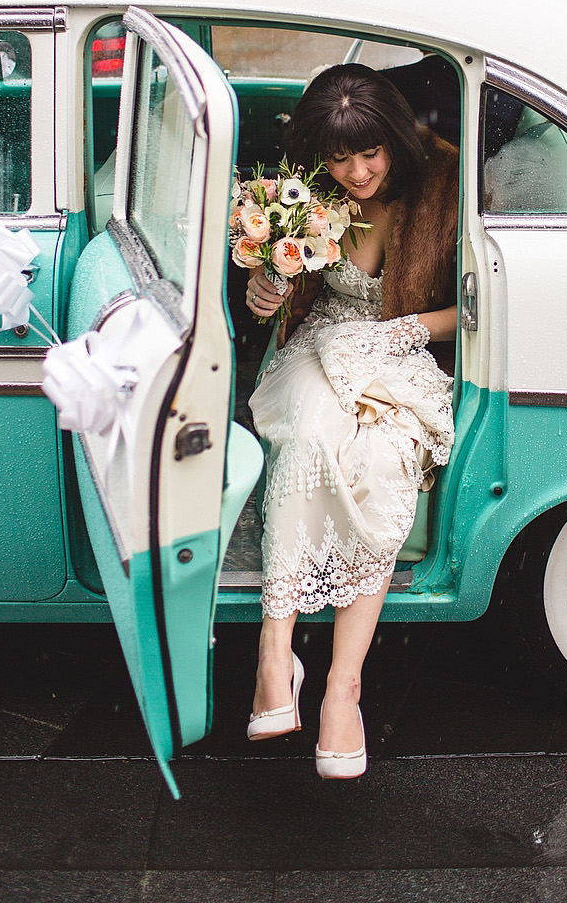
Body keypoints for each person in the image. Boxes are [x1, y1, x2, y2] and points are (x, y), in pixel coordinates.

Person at [243, 63, 459, 778]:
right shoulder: (305, 197)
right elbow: (273, 298)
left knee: (384, 458)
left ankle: (343, 686)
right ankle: (276, 652)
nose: (357, 171)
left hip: (401, 349)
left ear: (396, 139)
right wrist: (267, 289)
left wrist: (399, 333)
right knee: (307, 440)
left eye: (370, 152)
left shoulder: (449, 187)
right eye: (340, 156)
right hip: (317, 343)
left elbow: (478, 306)